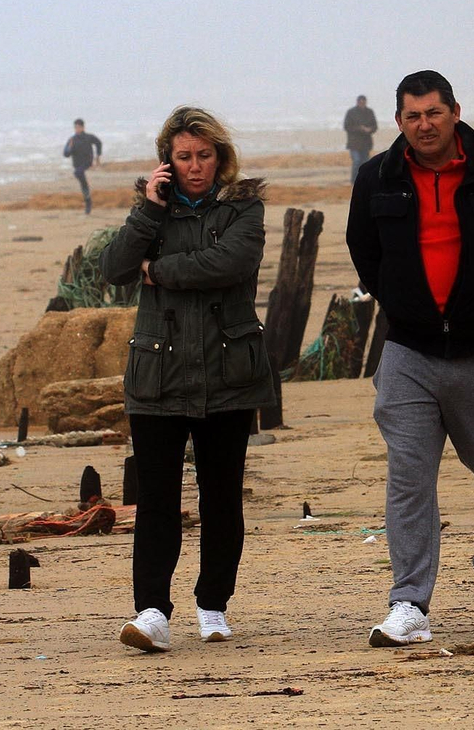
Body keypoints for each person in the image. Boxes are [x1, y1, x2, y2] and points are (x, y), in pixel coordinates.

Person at [346, 70, 474, 647]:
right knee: (409, 479)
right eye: (413, 116)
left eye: (434, 113)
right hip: (408, 352)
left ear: (455, 112)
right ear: (399, 121)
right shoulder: (376, 177)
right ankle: (409, 602)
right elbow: (364, 251)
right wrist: (404, 305)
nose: (424, 125)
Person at [98, 106, 276, 653]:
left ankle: (213, 604)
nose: (195, 166)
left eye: (204, 155)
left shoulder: (244, 207)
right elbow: (114, 270)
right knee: (156, 500)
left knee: (222, 497)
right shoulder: (150, 212)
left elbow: (229, 264)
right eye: (183, 157)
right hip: (159, 374)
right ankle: (152, 611)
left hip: (229, 371)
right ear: (166, 161)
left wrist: (158, 271)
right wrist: (149, 212)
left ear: (220, 157)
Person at [63, 119, 103, 215]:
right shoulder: (72, 139)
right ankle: (87, 199)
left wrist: (97, 157)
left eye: (78, 127)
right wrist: (70, 148)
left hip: (87, 162)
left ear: (83, 127)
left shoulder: (88, 137)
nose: (77, 129)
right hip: (77, 165)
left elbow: (98, 143)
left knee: (77, 173)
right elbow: (66, 154)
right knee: (79, 176)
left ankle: (87, 198)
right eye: (75, 127)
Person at [342, 95, 378, 182]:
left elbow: (375, 126)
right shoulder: (351, 112)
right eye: (360, 102)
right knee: (356, 161)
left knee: (365, 163)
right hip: (354, 143)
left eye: (363, 102)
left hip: (366, 143)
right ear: (357, 102)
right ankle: (354, 181)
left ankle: (363, 180)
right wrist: (360, 128)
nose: (362, 104)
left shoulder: (369, 112)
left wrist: (369, 129)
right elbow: (347, 126)